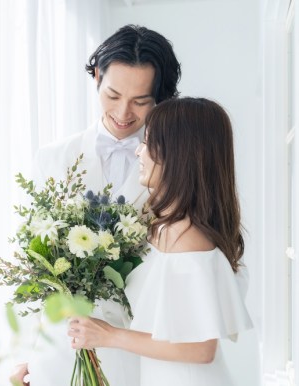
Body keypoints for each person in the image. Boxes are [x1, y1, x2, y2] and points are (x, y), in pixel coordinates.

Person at [11, 25, 181, 385]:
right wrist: (25, 354)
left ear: (160, 98)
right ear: (97, 77)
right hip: (60, 349)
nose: (123, 112)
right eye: (113, 95)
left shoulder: (178, 167)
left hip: (136, 352)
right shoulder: (53, 158)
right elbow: (33, 264)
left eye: (141, 101)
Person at [68, 97, 253, 386]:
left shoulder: (187, 239)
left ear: (179, 154)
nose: (139, 153)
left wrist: (109, 335)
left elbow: (201, 348)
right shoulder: (164, 226)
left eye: (148, 143)